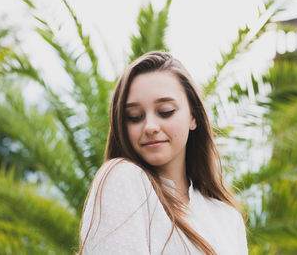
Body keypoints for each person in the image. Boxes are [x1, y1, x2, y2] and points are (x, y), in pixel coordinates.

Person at [78, 51, 248, 254]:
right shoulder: (122, 178)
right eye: (134, 116)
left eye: (165, 111)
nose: (150, 127)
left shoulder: (227, 217)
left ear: (193, 117)